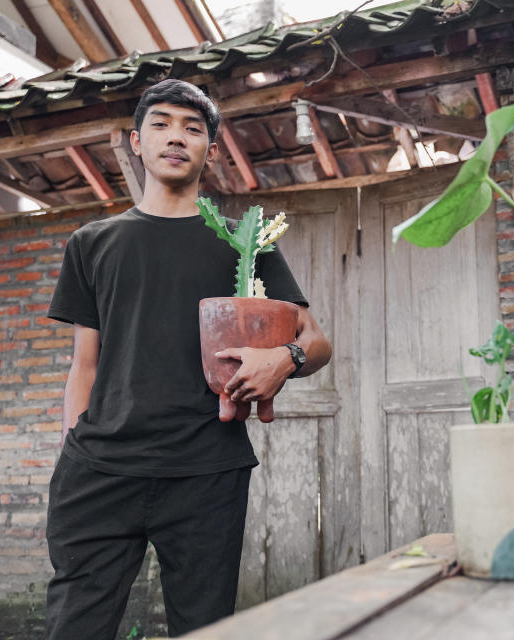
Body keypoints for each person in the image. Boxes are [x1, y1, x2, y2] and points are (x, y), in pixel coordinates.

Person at [44, 79, 332, 639]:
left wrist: (285, 359)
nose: (176, 137)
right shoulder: (92, 242)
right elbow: (86, 364)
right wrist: (73, 451)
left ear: (211, 150)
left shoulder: (246, 242)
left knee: (204, 629)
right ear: (136, 141)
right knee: (74, 627)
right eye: (162, 124)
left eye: (193, 128)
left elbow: (317, 340)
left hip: (207, 471)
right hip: (100, 470)